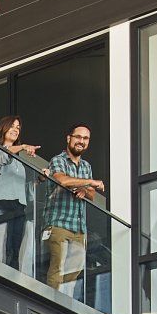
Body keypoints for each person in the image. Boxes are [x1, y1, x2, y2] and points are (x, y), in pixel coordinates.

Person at [44, 122, 104, 300]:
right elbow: (63, 180)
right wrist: (90, 182)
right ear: (68, 138)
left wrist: (85, 189)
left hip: (79, 228)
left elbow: (91, 195)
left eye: (86, 138)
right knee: (58, 267)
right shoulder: (58, 160)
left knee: (74, 272)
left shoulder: (86, 166)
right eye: (78, 137)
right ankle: (52, 303)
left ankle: (66, 304)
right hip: (58, 223)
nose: (81, 141)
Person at [0, 115, 38, 273]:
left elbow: (22, 189)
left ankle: (11, 279)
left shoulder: (19, 161)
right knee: (0, 249)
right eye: (12, 126)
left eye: (18, 128)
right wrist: (23, 146)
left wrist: (39, 180)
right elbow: (2, 158)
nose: (16, 130)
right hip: (1, 204)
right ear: (3, 128)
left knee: (15, 249)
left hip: (18, 206)